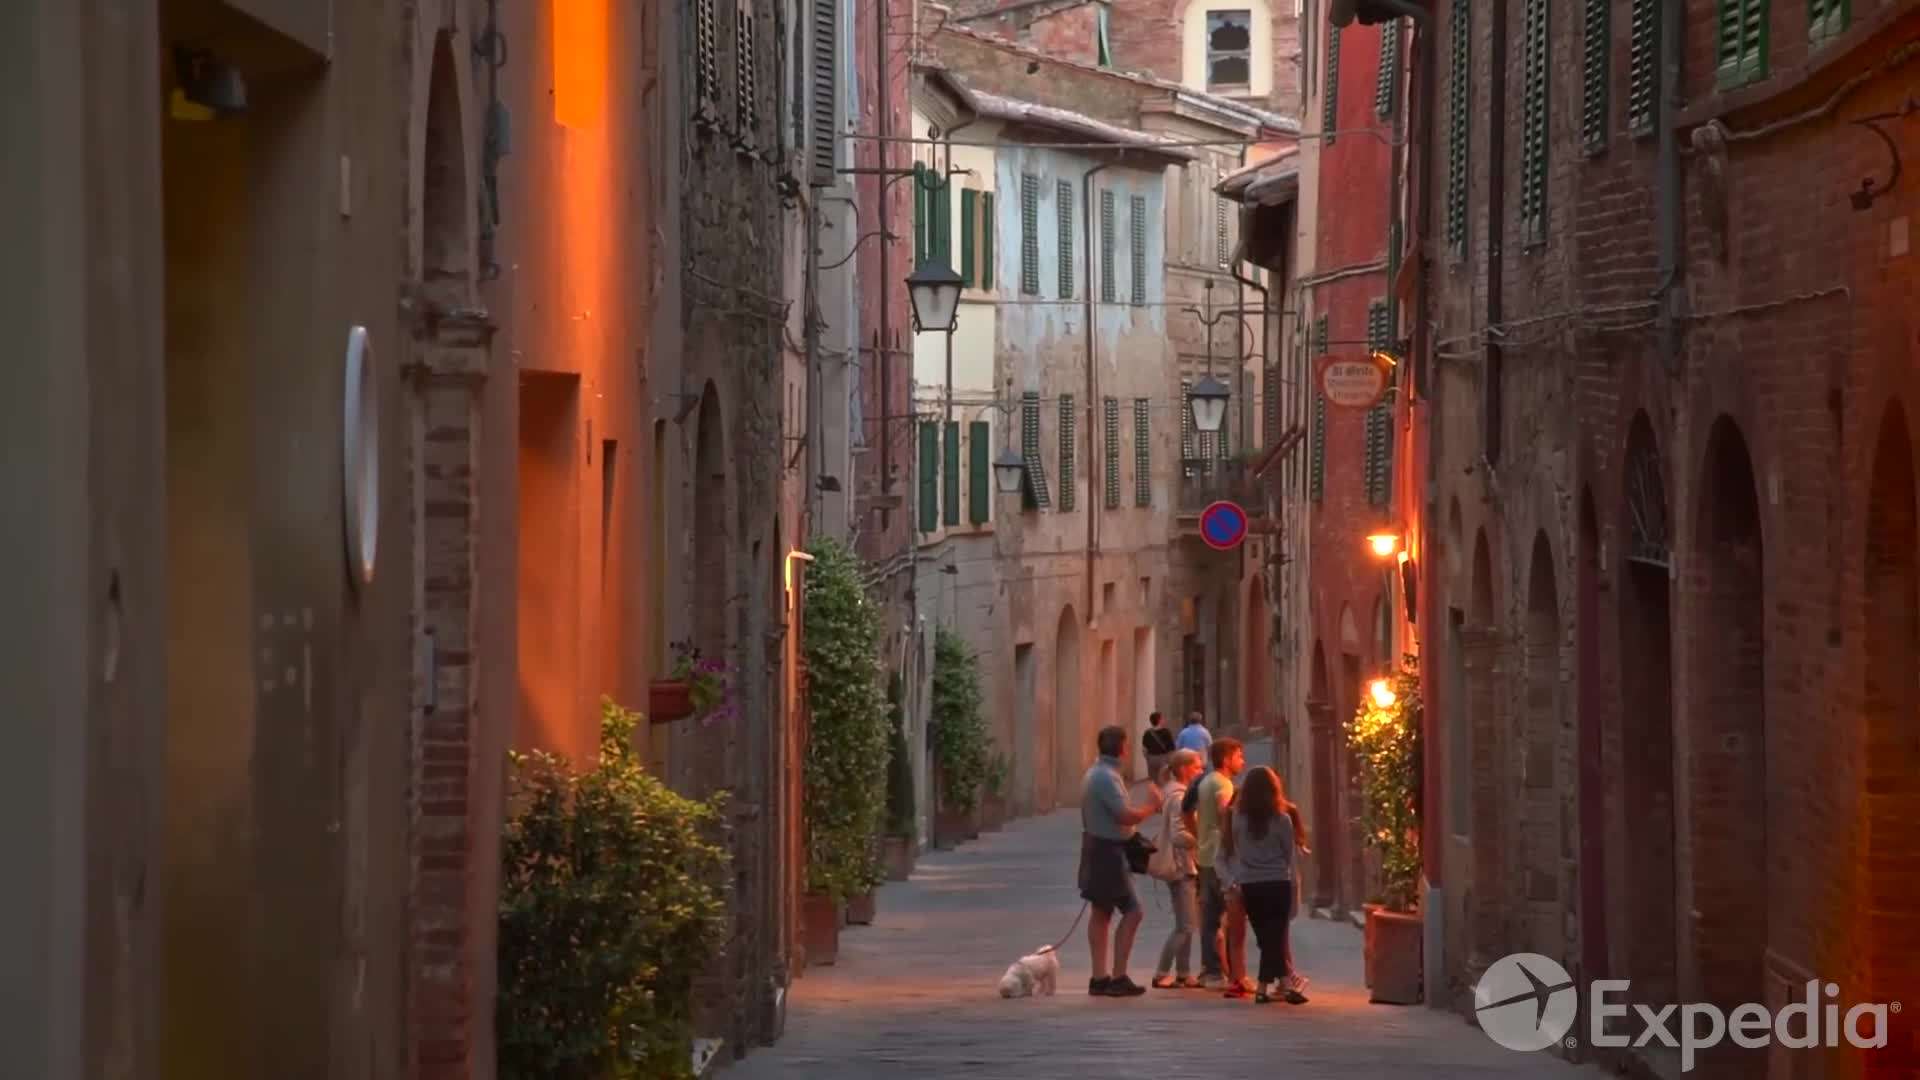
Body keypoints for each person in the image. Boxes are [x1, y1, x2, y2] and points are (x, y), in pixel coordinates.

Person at [1079, 724, 1166, 996]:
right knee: (1133, 911)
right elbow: (1124, 815)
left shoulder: (1096, 773)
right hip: (1109, 851)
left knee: (1101, 911)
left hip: (1097, 846)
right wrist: (1153, 805)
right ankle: (1117, 976)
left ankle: (1099, 977)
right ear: (1122, 748)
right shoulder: (1106, 777)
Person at [1220, 766, 1311, 1004]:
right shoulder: (1282, 819)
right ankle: (1275, 986)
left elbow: (1231, 852)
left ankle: (1270, 987)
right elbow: (1289, 856)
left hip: (1250, 886)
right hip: (1278, 884)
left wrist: (1233, 879)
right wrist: (1295, 886)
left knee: (1267, 938)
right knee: (1273, 937)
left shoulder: (1237, 819)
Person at [1186, 737, 1244, 989]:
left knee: (1209, 918)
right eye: (1239, 756)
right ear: (1226, 759)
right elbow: (1225, 811)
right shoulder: (1223, 785)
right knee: (1231, 914)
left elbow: (1186, 811)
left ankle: (1211, 972)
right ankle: (1232, 973)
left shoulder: (1205, 781)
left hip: (1206, 854)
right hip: (1221, 857)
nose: (1243, 760)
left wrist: (1199, 836)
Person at [1150, 749, 1206, 989]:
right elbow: (1178, 834)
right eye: (1196, 767)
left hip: (1184, 864)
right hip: (1181, 865)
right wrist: (1202, 838)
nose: (1201, 771)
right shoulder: (1178, 796)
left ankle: (1183, 973)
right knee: (1184, 926)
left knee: (1188, 923)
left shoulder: (1174, 793)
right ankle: (1161, 973)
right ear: (1184, 769)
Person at [1141, 711, 1175, 782]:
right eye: (1162, 718)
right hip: (1163, 758)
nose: (1164, 720)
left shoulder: (1147, 733)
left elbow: (1144, 749)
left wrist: (1148, 758)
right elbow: (1172, 748)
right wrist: (1170, 760)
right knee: (1165, 780)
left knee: (1153, 781)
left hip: (1151, 758)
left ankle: (1154, 792)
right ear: (1159, 720)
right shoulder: (1166, 732)